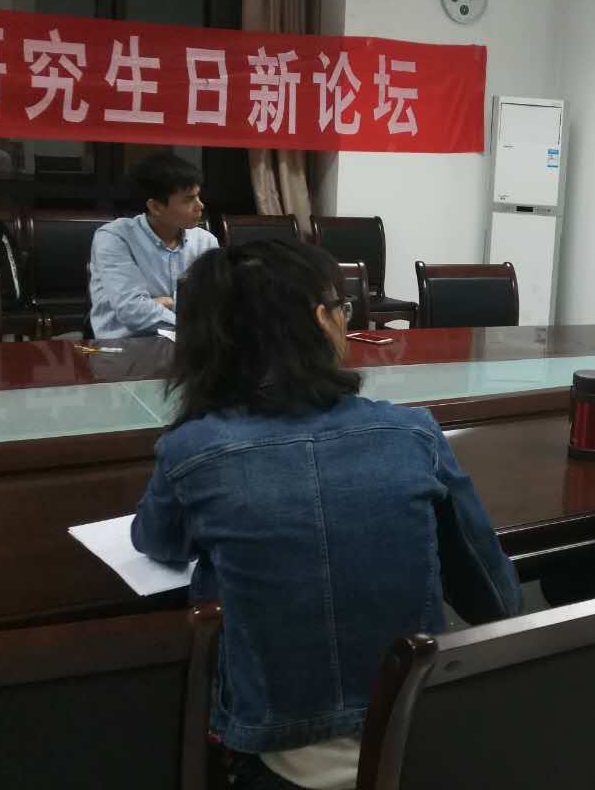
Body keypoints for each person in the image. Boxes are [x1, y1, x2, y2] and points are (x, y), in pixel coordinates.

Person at [131, 238, 521, 790]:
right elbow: (497, 599)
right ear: (322, 320)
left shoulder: (192, 450)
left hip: (272, 756)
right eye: (343, 308)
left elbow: (156, 541)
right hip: (416, 745)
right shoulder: (413, 434)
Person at [89, 153, 218, 338]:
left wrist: (164, 303)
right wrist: (186, 317)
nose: (200, 205)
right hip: (126, 345)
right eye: (189, 199)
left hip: (188, 344)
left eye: (198, 196)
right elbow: (132, 310)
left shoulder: (205, 241)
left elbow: (213, 304)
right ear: (156, 207)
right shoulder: (115, 237)